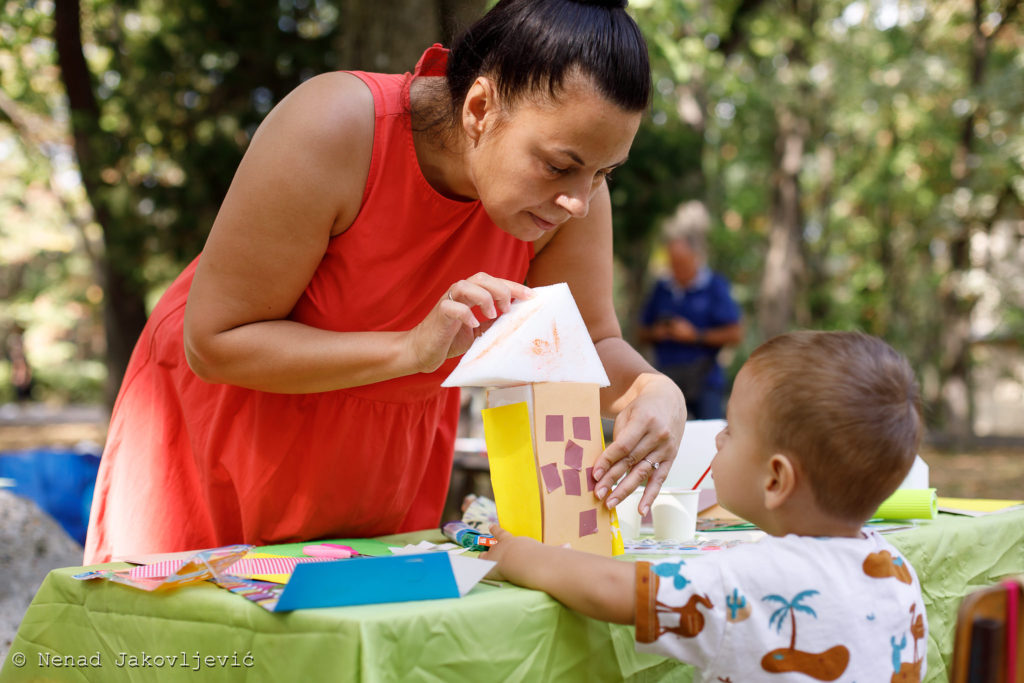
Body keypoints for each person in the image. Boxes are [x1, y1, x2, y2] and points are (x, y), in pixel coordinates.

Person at [83, 0, 687, 564]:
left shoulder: (571, 197)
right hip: (224, 434)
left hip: (383, 458)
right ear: (479, 108)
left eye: (604, 172)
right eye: (561, 165)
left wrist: (652, 389)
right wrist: (410, 349)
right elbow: (215, 341)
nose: (580, 199)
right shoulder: (334, 125)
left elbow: (590, 344)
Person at [483, 331, 928, 682]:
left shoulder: (743, 580)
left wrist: (516, 553)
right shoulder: (896, 568)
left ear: (776, 480)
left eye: (731, 430)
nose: (718, 438)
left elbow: (609, 588)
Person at [637, 201, 742, 419]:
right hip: (667, 378)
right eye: (673, 264)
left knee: (709, 439)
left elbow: (735, 333)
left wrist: (695, 335)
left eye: (682, 263)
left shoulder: (715, 286)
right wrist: (657, 333)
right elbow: (641, 332)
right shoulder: (661, 288)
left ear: (695, 257)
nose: (676, 270)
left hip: (705, 380)